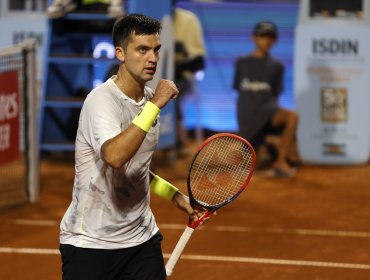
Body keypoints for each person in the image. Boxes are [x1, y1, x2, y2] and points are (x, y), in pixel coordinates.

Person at [59, 14, 205, 280]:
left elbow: (135, 169)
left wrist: (175, 196)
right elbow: (115, 157)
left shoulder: (150, 104)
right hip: (92, 244)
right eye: (142, 50)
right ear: (121, 53)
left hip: (141, 239)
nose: (152, 58)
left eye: (156, 50)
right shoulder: (101, 101)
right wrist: (155, 105)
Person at [233, 21, 298, 177]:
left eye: (270, 37)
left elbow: (275, 95)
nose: (267, 40)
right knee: (250, 162)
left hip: (269, 113)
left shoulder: (278, 65)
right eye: (263, 36)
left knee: (292, 117)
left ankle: (280, 162)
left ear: (275, 40)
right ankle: (267, 144)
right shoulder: (241, 62)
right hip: (248, 117)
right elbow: (239, 91)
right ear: (254, 38)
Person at [172, 0, 206, 155]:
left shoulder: (189, 20)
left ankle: (179, 140)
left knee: (169, 92)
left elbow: (198, 61)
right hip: (149, 76)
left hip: (180, 76)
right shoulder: (143, 19)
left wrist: (182, 55)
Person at [46, 0, 124, 18]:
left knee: (116, 9)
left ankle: (116, 7)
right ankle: (58, 7)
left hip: (107, 8)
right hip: (80, 6)